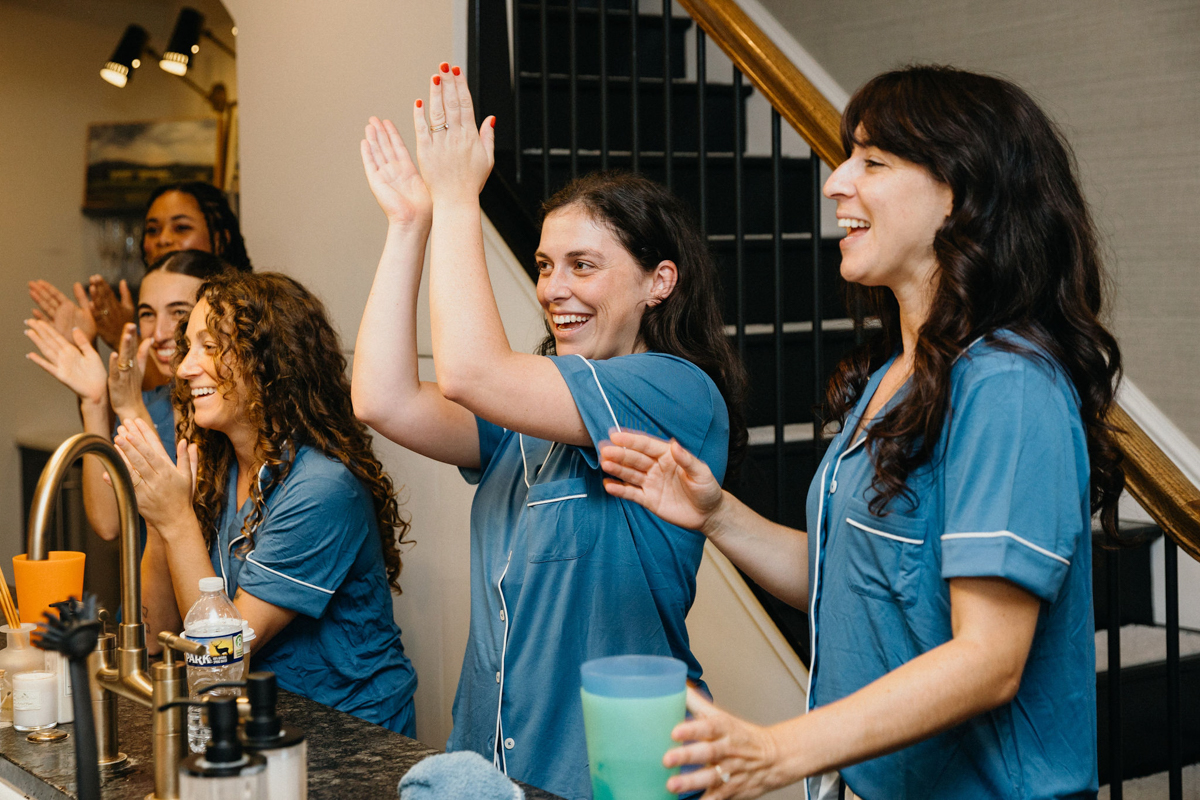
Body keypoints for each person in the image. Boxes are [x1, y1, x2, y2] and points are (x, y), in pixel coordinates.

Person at [599, 65, 1123, 800]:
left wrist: (780, 749)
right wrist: (718, 513)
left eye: (873, 161)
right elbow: (855, 583)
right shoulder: (890, 378)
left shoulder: (1008, 385)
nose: (834, 182)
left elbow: (989, 658)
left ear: (959, 195)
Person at [352, 62, 746, 799]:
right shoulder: (530, 418)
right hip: (494, 771)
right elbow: (383, 398)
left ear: (659, 281)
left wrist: (459, 197)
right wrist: (411, 225)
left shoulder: (676, 392)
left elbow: (471, 373)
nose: (553, 289)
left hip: (616, 774)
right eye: (543, 266)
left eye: (583, 266)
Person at [114, 271, 418, 735]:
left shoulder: (322, 487)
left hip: (351, 735)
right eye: (188, 346)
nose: (183, 368)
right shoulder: (219, 464)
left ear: (270, 363)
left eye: (210, 347)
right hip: (261, 719)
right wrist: (159, 518)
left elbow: (220, 656)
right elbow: (161, 633)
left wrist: (177, 520)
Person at [25, 250, 240, 541]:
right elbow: (108, 522)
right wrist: (95, 401)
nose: (160, 332)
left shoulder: (230, 411)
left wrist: (131, 407)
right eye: (147, 314)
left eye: (179, 312)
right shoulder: (151, 406)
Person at [29, 181, 251, 353]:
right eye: (152, 230)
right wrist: (84, 347)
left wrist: (122, 338)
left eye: (181, 228)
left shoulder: (247, 315)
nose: (163, 239)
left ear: (221, 239)